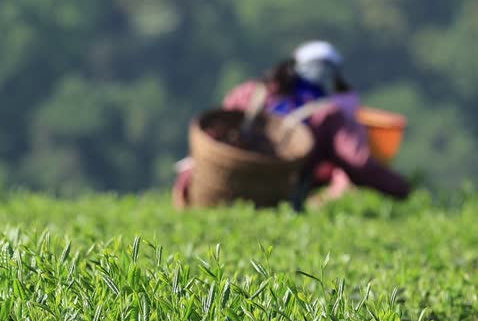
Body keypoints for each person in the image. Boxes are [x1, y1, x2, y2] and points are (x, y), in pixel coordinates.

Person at [174, 40, 410, 208]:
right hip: (274, 201)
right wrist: (402, 188)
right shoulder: (328, 115)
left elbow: (216, 134)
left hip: (211, 194)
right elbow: (358, 163)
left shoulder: (250, 93)